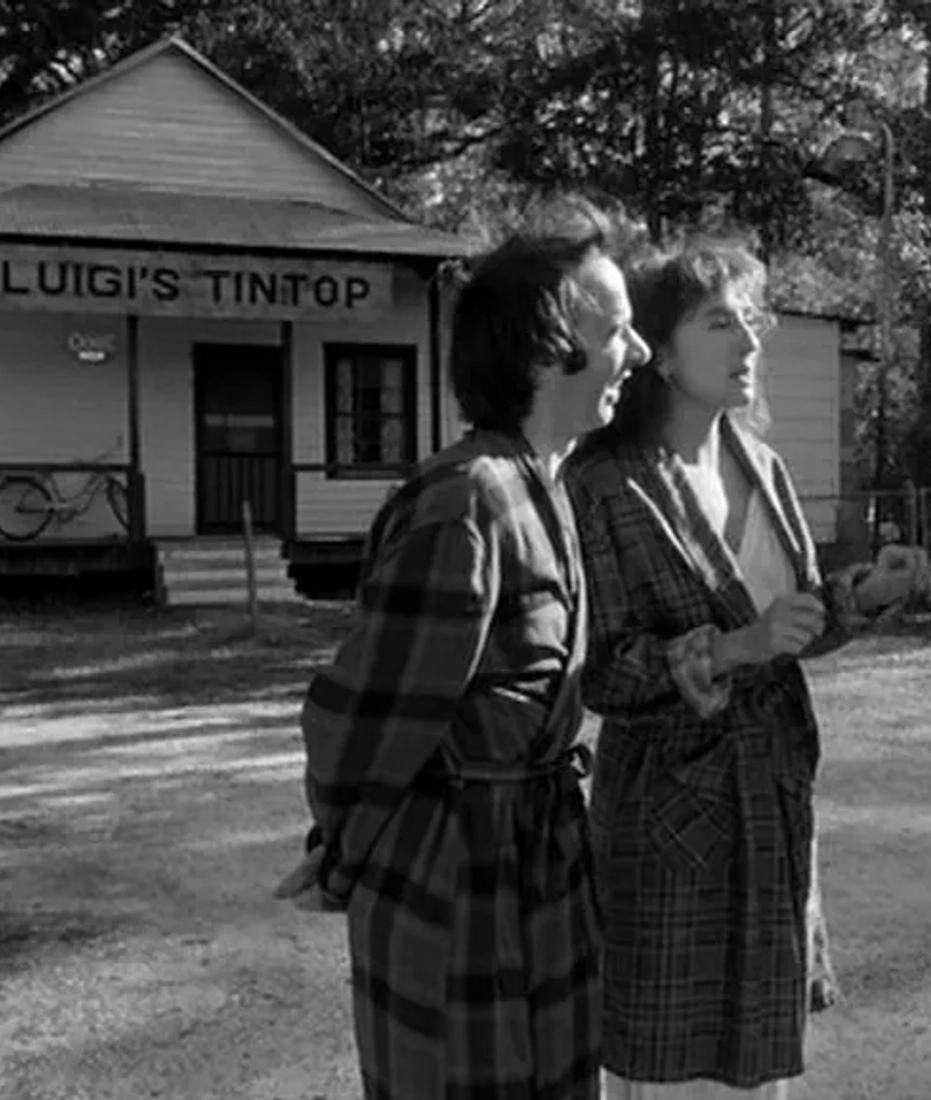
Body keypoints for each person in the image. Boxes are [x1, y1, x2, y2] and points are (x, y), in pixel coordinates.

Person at [273, 198, 651, 1100]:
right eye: (619, 332)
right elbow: (363, 717)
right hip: (455, 884)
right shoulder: (467, 502)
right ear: (545, 346)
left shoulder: (549, 487)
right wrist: (342, 854)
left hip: (541, 866)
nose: (636, 355)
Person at [564, 238, 929, 1099]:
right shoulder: (604, 484)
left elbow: (788, 628)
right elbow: (603, 676)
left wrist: (864, 596)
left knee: (759, 1076)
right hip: (667, 822)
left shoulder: (761, 468)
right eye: (720, 321)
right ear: (657, 347)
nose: (750, 342)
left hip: (771, 800)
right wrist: (731, 649)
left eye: (752, 321)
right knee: (667, 1071)